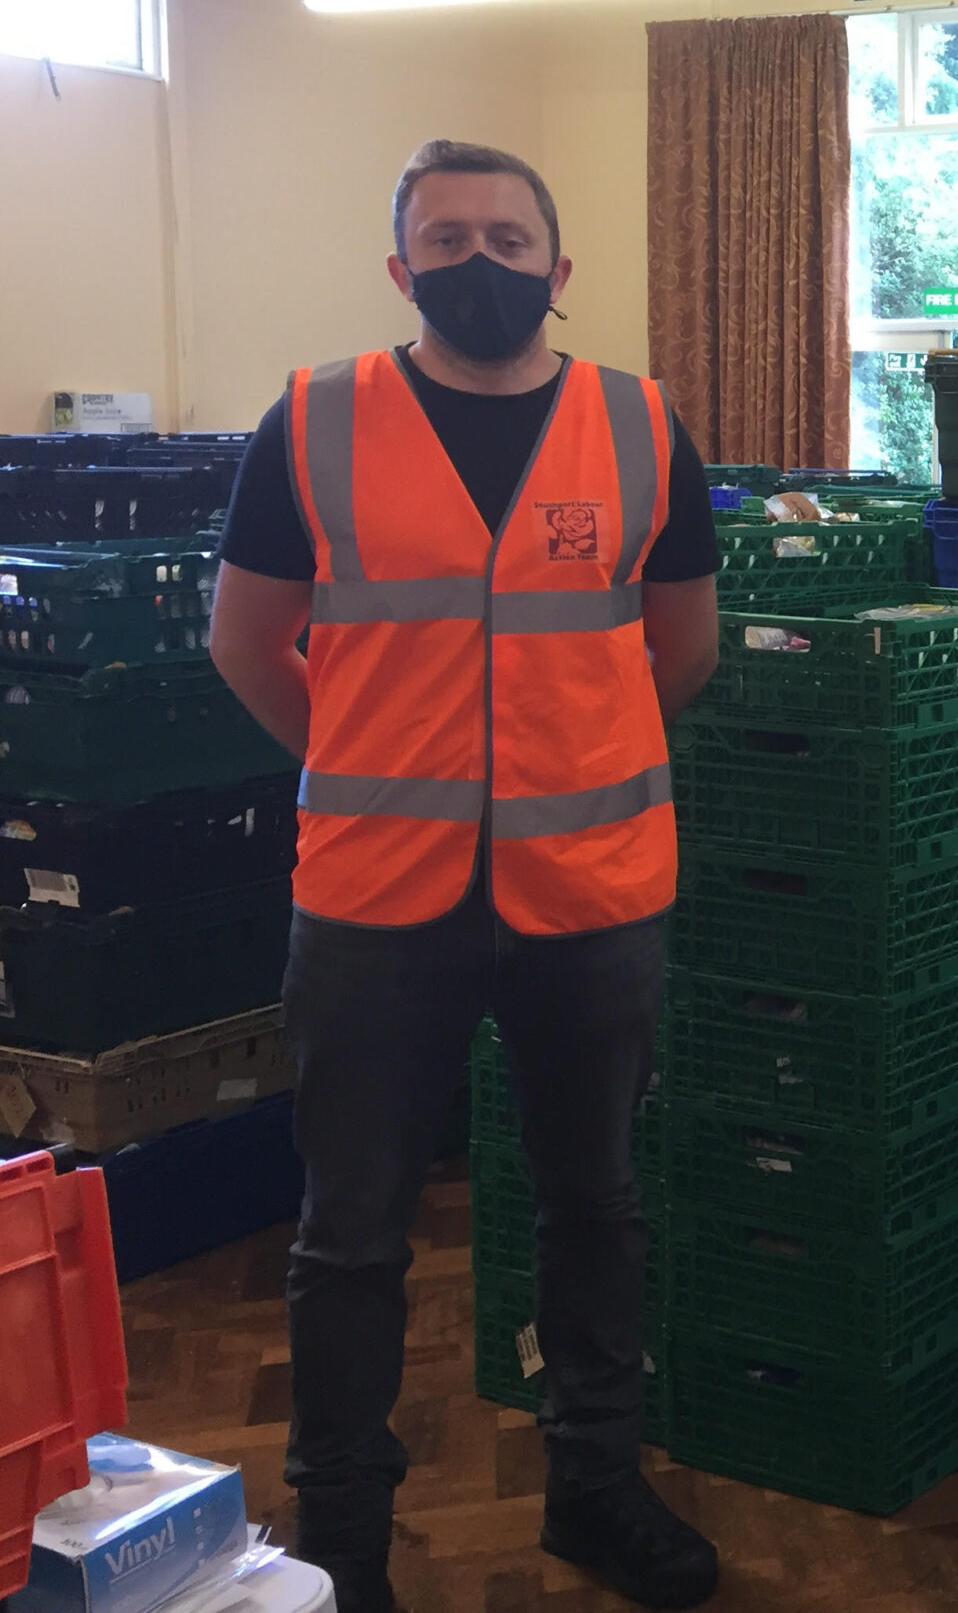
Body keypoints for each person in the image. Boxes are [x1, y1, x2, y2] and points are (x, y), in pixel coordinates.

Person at [209, 139, 724, 1613]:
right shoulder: (313, 421)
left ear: (560, 273)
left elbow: (679, 645)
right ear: (400, 270)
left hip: (593, 898)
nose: (479, 262)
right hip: (375, 907)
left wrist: (559, 764)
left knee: (596, 1208)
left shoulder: (637, 424)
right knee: (350, 1235)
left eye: (508, 238)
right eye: (447, 239)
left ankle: (595, 1492)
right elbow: (248, 643)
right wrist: (371, 760)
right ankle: (346, 1548)